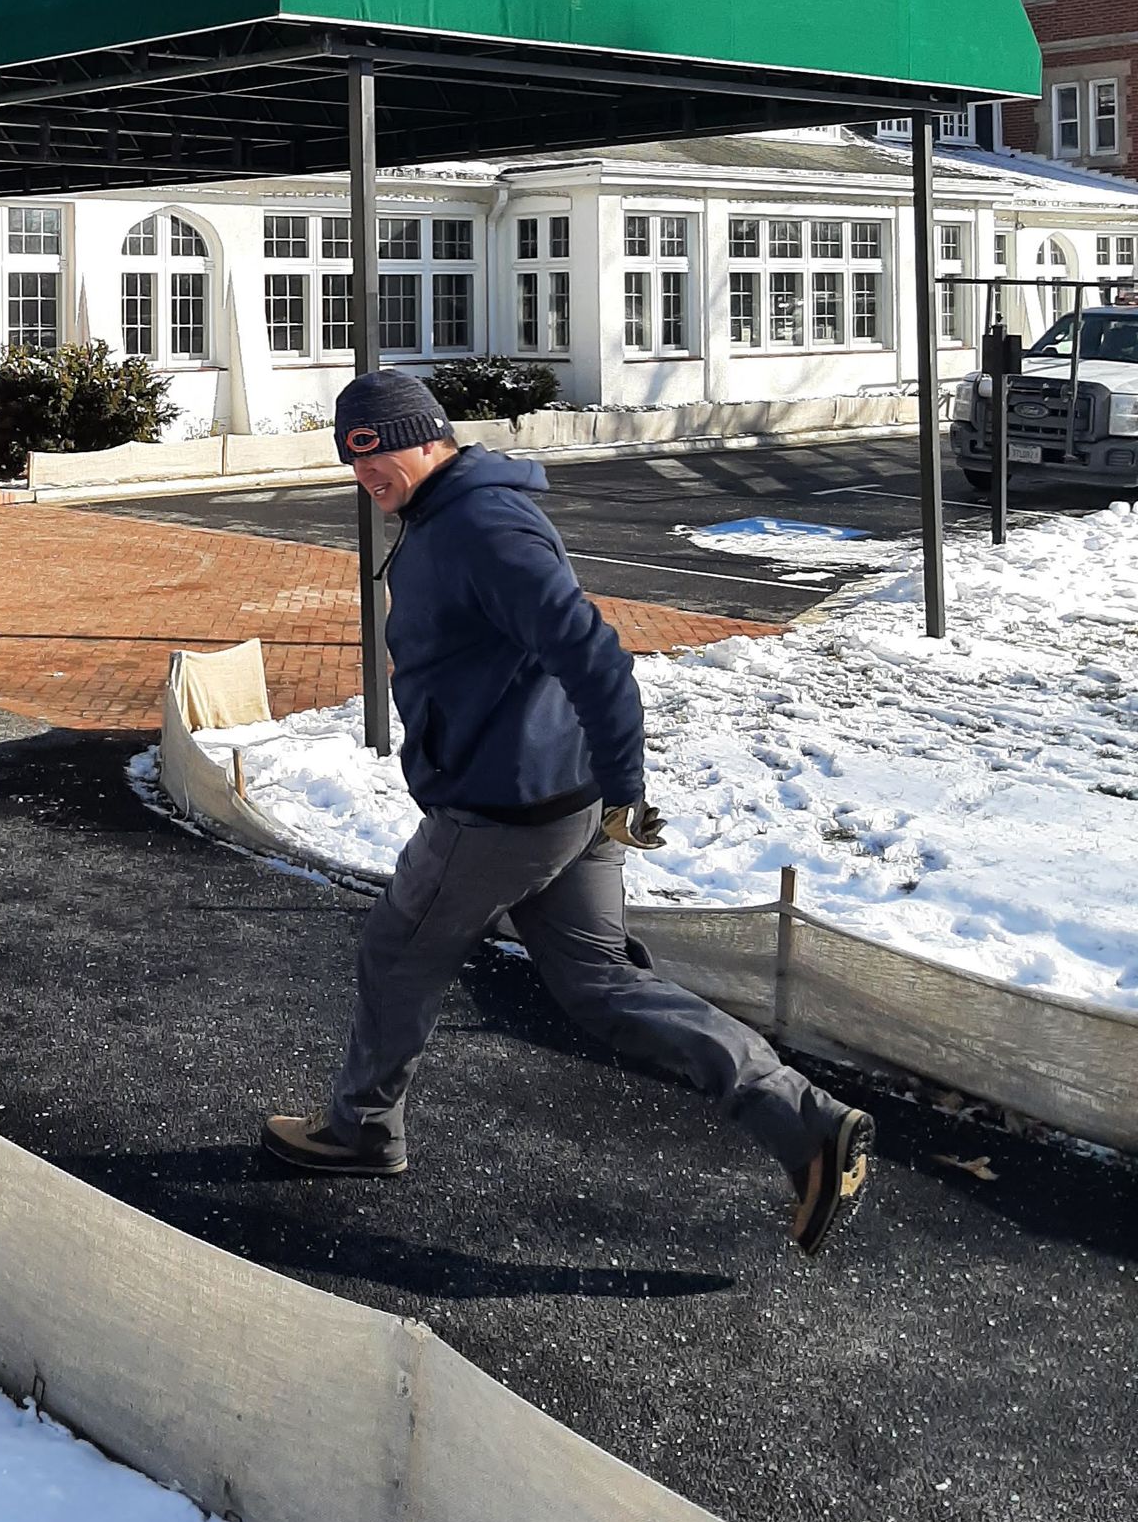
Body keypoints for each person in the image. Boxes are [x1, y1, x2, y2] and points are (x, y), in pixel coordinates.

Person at [262, 369, 873, 1257]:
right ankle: (805, 1123)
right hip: (556, 795)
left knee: (398, 950)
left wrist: (628, 779)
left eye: (380, 454)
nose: (369, 477)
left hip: (503, 808)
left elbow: (594, 653)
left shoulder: (480, 525)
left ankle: (361, 1130)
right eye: (354, 463)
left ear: (428, 437)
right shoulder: (451, 512)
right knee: (599, 985)